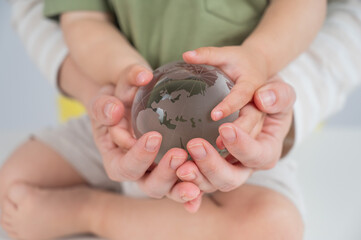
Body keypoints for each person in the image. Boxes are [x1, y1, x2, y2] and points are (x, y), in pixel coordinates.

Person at [1, 0, 361, 239]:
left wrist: (258, 57)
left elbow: (301, 6)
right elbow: (82, 18)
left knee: (273, 228)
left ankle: (91, 210)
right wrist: (120, 75)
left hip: (240, 137)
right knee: (10, 188)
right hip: (126, 122)